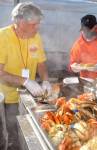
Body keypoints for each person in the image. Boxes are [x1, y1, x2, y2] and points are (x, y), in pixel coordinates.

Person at [0, 2, 52, 150]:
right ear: (19, 22)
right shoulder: (2, 37)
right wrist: (25, 81)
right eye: (34, 24)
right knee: (11, 135)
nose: (37, 27)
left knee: (29, 133)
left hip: (27, 97)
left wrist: (46, 80)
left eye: (38, 24)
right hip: (6, 99)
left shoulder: (35, 37)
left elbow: (41, 63)